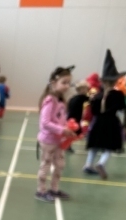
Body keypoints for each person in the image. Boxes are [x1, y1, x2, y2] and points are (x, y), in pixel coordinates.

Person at [83, 50, 126, 180]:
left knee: (95, 145)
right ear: (115, 81)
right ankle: (101, 163)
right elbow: (122, 108)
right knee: (109, 147)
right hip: (111, 123)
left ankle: (88, 165)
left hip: (98, 122)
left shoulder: (97, 95)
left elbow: (93, 111)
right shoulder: (118, 95)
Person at [35, 66, 75, 202]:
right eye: (64, 82)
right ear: (53, 83)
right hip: (48, 140)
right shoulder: (49, 100)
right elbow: (45, 122)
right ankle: (41, 191)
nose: (67, 86)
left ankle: (54, 189)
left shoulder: (61, 100)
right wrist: (62, 130)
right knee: (46, 165)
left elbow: (60, 119)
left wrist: (68, 127)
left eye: (69, 83)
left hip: (59, 140)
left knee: (60, 165)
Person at [66, 79, 89, 153]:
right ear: (80, 89)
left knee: (72, 133)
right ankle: (67, 145)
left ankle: (68, 145)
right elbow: (91, 100)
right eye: (85, 89)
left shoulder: (74, 98)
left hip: (73, 117)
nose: (86, 90)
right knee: (74, 133)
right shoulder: (82, 98)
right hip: (74, 118)